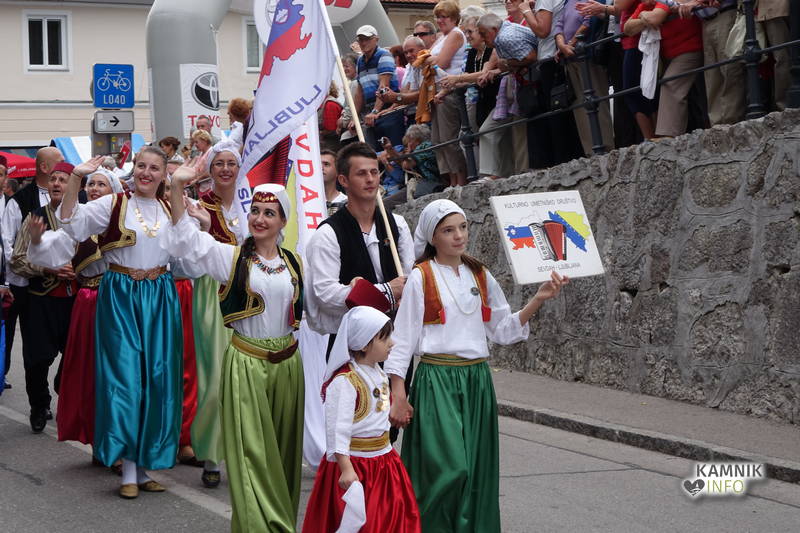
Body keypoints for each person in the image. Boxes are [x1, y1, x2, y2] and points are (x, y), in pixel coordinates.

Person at [387, 199, 568, 532]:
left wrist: (538, 298)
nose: (459, 236)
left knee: (475, 470)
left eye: (463, 227)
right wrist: (398, 392)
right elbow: (403, 338)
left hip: (476, 380)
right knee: (447, 469)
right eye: (448, 230)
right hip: (437, 380)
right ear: (432, 237)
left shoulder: (480, 274)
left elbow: (503, 330)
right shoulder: (421, 277)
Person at [165, 177, 305, 533]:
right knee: (252, 454)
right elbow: (186, 241)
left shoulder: (294, 263)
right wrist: (178, 188)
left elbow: (321, 310)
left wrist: (379, 293)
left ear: (283, 221)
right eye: (255, 211)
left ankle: (282, 521)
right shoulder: (230, 257)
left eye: (269, 213)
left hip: (289, 365)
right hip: (247, 363)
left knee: (284, 453)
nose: (260, 219)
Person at [57, 148, 185, 500]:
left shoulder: (170, 208)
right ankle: (128, 467)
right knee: (125, 378)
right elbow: (70, 221)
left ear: (163, 174)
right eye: (141, 166)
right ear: (133, 169)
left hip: (160, 295)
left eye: (154, 168)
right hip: (121, 294)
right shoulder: (113, 204)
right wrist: (77, 178)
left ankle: (145, 466)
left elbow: (188, 254)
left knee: (158, 379)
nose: (146, 173)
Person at [302, 306, 421, 533]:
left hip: (384, 463)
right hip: (355, 466)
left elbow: (377, 411)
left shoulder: (379, 374)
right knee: (361, 522)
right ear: (365, 344)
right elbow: (337, 430)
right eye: (384, 338)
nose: (392, 343)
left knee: (390, 519)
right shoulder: (345, 382)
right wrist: (346, 468)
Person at [26, 168, 120, 446]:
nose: (95, 189)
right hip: (89, 302)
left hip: (121, 301)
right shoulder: (80, 224)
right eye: (92, 184)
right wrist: (36, 239)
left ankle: (120, 432)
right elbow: (50, 249)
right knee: (88, 368)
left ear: (113, 191)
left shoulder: (126, 219)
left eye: (102, 185)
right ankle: (96, 430)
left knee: (117, 369)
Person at [305, 142, 414, 341]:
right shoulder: (328, 233)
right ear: (343, 180)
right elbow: (325, 293)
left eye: (374, 172)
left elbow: (407, 278)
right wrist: (385, 291)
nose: (370, 179)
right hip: (351, 340)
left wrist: (399, 292)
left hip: (395, 337)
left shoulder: (397, 225)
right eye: (361, 173)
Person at [187, 141, 249, 489]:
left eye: (231, 163)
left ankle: (245, 455)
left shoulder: (252, 203)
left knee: (248, 379)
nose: (226, 169)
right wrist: (204, 227)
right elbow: (190, 255)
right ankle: (211, 454)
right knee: (214, 377)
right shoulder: (200, 206)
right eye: (219, 164)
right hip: (213, 294)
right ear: (210, 170)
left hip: (250, 291)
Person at [10, 162, 78, 434]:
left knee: (74, 358)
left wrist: (80, 269)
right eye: (53, 179)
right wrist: (47, 269)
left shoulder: (85, 217)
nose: (57, 184)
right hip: (41, 301)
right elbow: (17, 260)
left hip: (76, 302)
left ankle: (64, 392)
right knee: (37, 359)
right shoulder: (36, 217)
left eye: (63, 179)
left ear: (74, 185)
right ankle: (39, 405)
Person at [1, 147, 63, 400]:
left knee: (68, 345)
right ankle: (37, 399)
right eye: (59, 164)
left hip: (62, 288)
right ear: (45, 168)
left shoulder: (76, 198)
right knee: (32, 347)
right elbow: (8, 243)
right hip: (23, 283)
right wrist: (17, 276)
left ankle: (61, 387)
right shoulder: (20, 200)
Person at [517, 0, 585, 167]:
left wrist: (525, 11)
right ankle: (568, 158)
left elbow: (543, 30)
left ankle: (562, 161)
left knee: (557, 111)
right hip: (555, 56)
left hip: (550, 59)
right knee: (562, 110)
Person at [624, 1, 704, 139]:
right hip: (670, 54)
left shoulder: (662, 1)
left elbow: (654, 18)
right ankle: (674, 134)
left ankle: (669, 135)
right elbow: (627, 29)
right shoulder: (645, 5)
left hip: (689, 48)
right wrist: (644, 16)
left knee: (670, 84)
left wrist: (644, 16)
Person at [475, 13, 537, 179]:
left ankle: (521, 172)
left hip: (528, 84)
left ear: (494, 30)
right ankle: (514, 171)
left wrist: (507, 63)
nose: (482, 39)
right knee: (514, 129)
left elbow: (531, 56)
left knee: (520, 129)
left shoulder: (504, 37)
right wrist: (503, 66)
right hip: (520, 83)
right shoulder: (504, 33)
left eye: (483, 34)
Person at [427, 1, 468, 187]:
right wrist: (431, 59)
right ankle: (452, 179)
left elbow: (441, 62)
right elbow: (426, 58)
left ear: (454, 18)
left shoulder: (455, 34)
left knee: (449, 138)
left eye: (444, 17)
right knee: (438, 139)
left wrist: (430, 59)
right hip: (437, 90)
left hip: (449, 90)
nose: (440, 20)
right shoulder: (442, 37)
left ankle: (460, 179)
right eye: (438, 17)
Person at [352, 25, 405, 150]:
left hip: (388, 109)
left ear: (376, 39)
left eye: (367, 39)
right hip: (371, 110)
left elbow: (384, 87)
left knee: (392, 149)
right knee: (375, 152)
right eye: (361, 40)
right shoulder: (360, 60)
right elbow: (360, 91)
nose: (363, 42)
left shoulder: (384, 55)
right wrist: (354, 117)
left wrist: (375, 112)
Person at [321, 149, 347, 217]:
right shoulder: (305, 203)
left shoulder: (348, 204)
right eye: (318, 164)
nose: (321, 167)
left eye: (326, 164)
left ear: (337, 171)